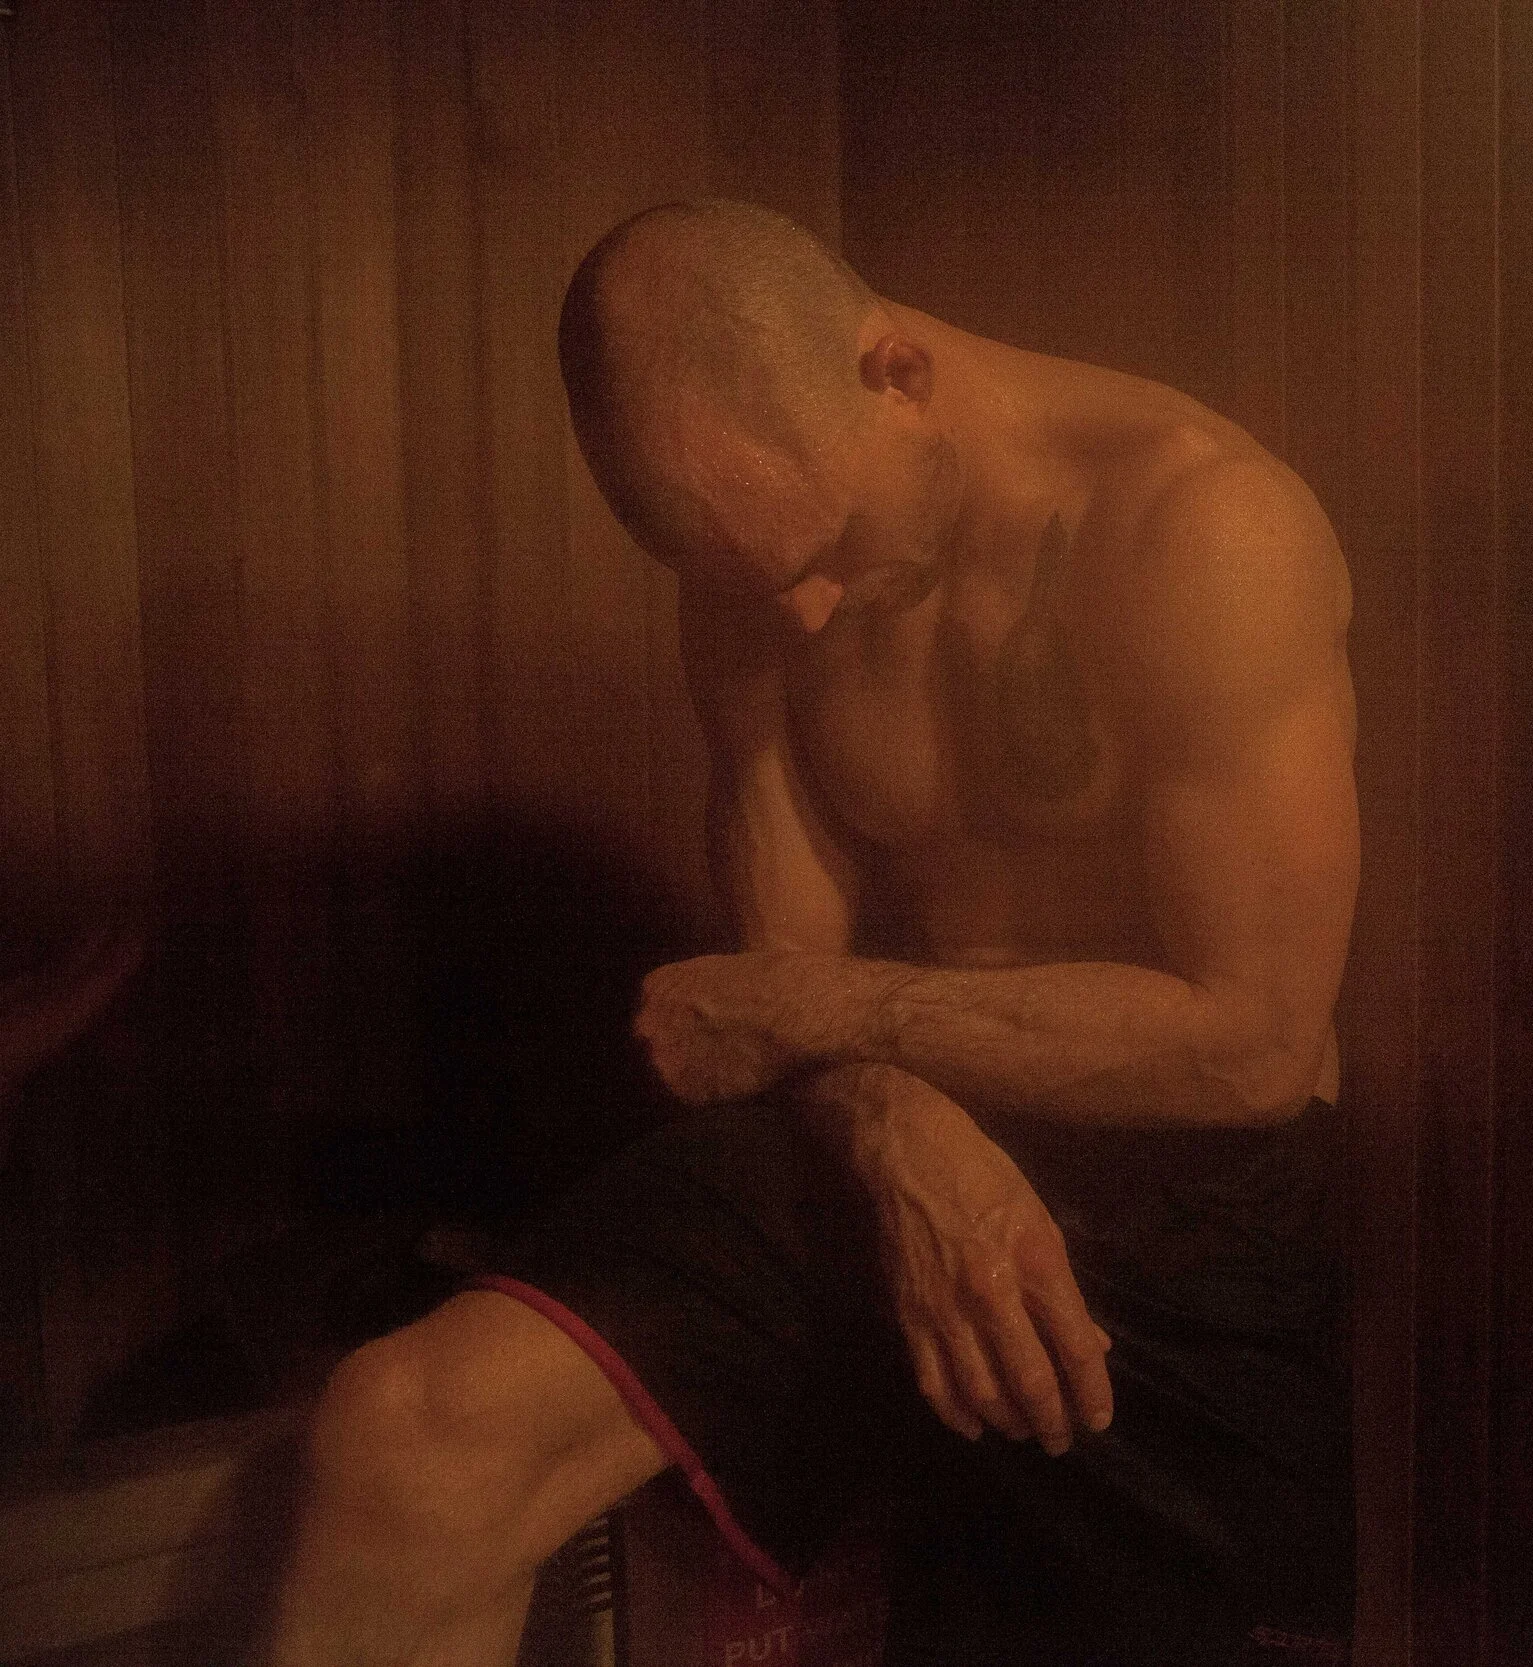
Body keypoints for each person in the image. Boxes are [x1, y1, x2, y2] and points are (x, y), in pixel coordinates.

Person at [262, 199, 1360, 1667]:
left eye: (826, 549)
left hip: (1178, 1183)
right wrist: (901, 1135)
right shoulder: (761, 577)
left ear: (892, 372)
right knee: (402, 1442)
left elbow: (1253, 1046)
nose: (802, 608)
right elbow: (790, 971)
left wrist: (825, 1024)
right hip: (873, 1128)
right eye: (745, 576)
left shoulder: (1201, 530)